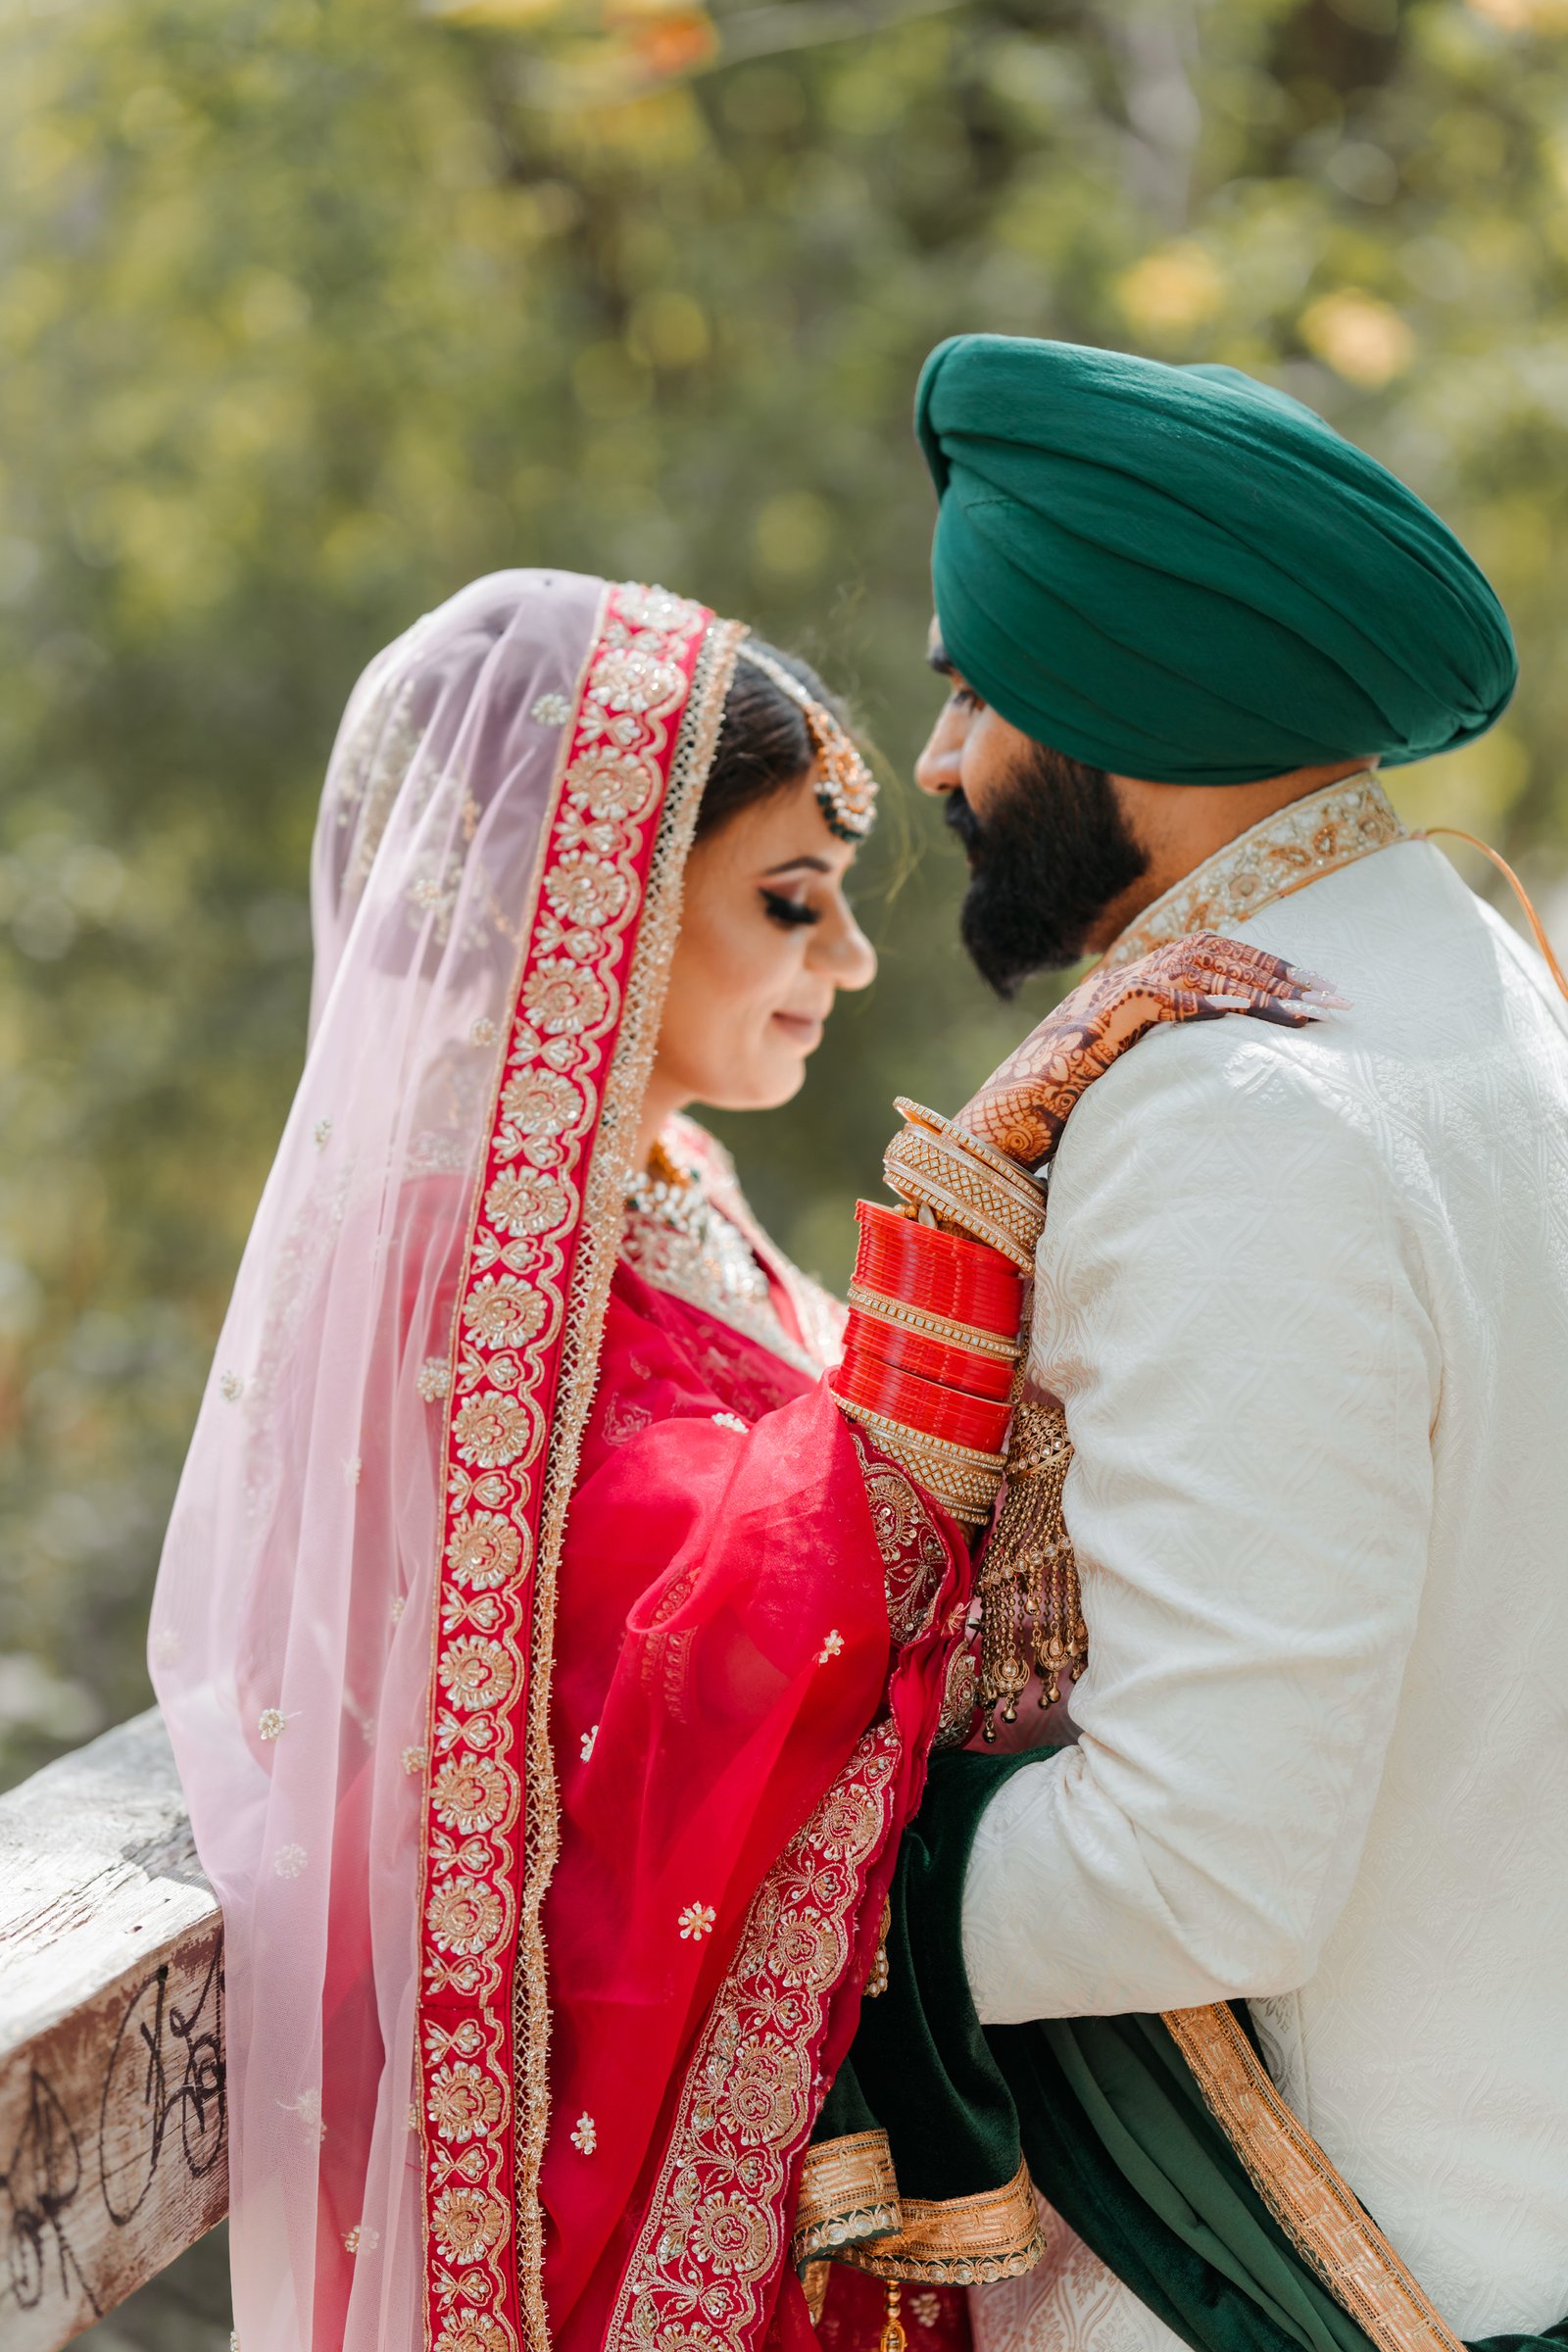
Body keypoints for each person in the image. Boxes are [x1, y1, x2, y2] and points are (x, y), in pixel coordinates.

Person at [147, 568, 1313, 2352]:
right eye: (791, 903)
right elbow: (707, 1642)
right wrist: (990, 1166)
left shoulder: (660, 1185)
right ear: (585, 900)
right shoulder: (458, 1247)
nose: (847, 961)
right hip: (593, 2189)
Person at [830, 335, 1568, 2348]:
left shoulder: (1239, 1110)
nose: (936, 761)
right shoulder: (1473, 978)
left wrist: (791, 1897)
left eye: (970, 690)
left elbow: (1195, 1868)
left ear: (1112, 705)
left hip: (1296, 2270)